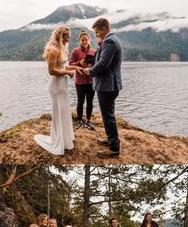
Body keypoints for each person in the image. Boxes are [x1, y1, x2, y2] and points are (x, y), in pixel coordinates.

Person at [34, 25, 83, 155]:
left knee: (64, 112)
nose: (69, 40)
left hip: (62, 86)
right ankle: (58, 141)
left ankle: (66, 140)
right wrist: (67, 72)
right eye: (68, 37)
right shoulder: (53, 50)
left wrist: (74, 68)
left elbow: (63, 65)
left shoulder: (61, 49)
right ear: (61, 36)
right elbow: (51, 71)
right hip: (56, 86)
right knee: (59, 113)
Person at [83, 18, 122, 158]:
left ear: (104, 28)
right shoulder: (111, 39)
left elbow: (103, 64)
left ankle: (114, 148)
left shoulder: (110, 41)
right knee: (107, 115)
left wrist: (89, 71)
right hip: (109, 84)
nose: (97, 34)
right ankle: (111, 139)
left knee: (108, 116)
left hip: (107, 85)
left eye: (97, 31)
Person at [69, 31, 96, 130]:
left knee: (90, 102)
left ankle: (88, 121)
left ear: (89, 40)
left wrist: (91, 65)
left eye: (86, 39)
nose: (84, 41)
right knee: (80, 102)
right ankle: (79, 121)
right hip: (80, 81)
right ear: (80, 40)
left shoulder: (93, 51)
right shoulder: (75, 51)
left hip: (91, 81)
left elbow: (97, 64)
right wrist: (79, 63)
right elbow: (70, 64)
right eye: (82, 40)